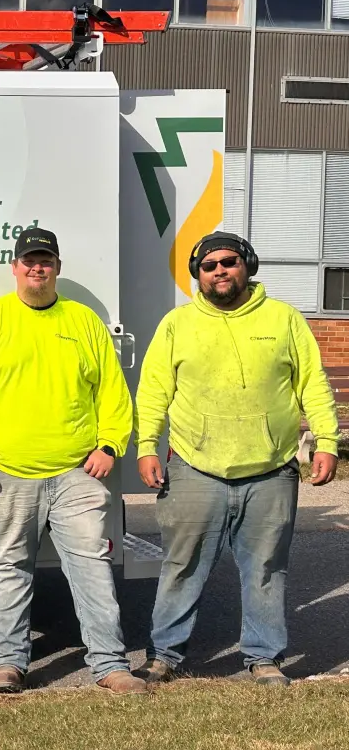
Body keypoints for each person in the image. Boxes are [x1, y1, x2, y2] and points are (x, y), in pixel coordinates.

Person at [134, 231, 339, 687]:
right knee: (182, 567)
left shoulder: (284, 319)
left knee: (266, 569)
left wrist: (327, 440)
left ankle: (263, 659)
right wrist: (146, 446)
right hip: (194, 467)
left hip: (271, 470)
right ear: (198, 276)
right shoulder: (177, 324)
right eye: (208, 266)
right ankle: (163, 656)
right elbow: (153, 392)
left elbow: (312, 382)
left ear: (247, 264)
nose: (219, 271)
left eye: (228, 262)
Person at [0, 228, 146, 696]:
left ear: (57, 267)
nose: (38, 267)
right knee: (10, 569)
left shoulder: (83, 321)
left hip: (77, 472)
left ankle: (111, 665)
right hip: (8, 474)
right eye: (30, 260)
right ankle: (8, 665)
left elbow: (112, 390)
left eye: (46, 260)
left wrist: (109, 445)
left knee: (92, 569)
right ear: (15, 267)